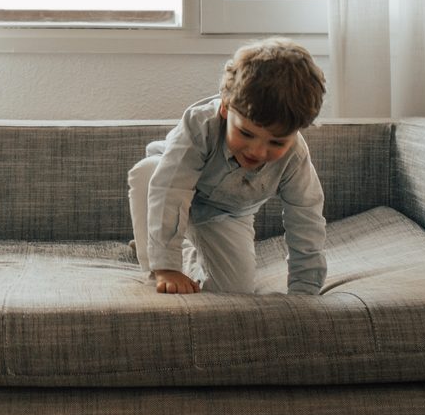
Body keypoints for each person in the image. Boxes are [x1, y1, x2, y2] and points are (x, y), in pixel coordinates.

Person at [127, 37, 327, 296]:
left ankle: (186, 251)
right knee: (148, 172)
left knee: (235, 291)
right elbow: (170, 189)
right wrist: (166, 266)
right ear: (225, 107)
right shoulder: (200, 124)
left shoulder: (295, 157)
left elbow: (306, 219)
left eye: (276, 141)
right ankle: (157, 256)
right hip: (168, 189)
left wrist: (305, 288)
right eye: (246, 133)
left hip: (226, 212)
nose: (257, 151)